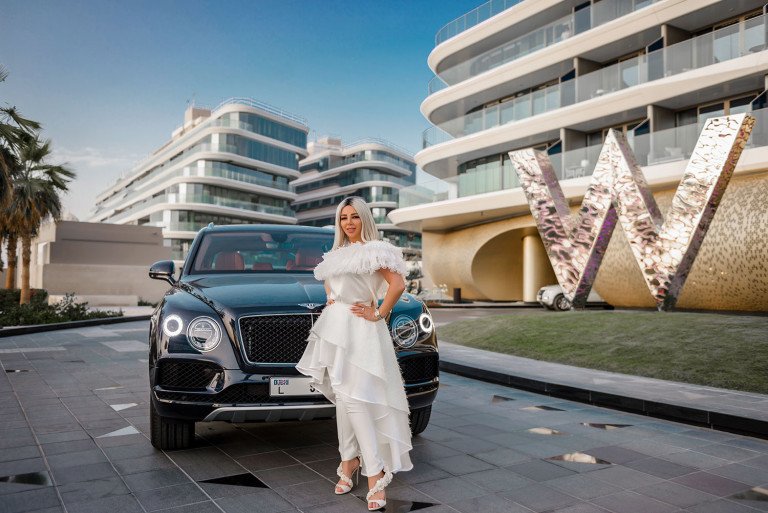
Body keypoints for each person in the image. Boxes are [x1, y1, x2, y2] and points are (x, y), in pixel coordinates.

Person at [296, 196, 413, 511]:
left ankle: (374, 473)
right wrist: (334, 303)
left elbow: (398, 284)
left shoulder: (376, 250)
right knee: (345, 401)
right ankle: (348, 462)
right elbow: (331, 293)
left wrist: (380, 313)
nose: (348, 222)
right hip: (335, 332)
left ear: (365, 219)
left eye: (355, 217)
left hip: (362, 332)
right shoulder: (335, 255)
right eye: (343, 217)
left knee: (357, 400)